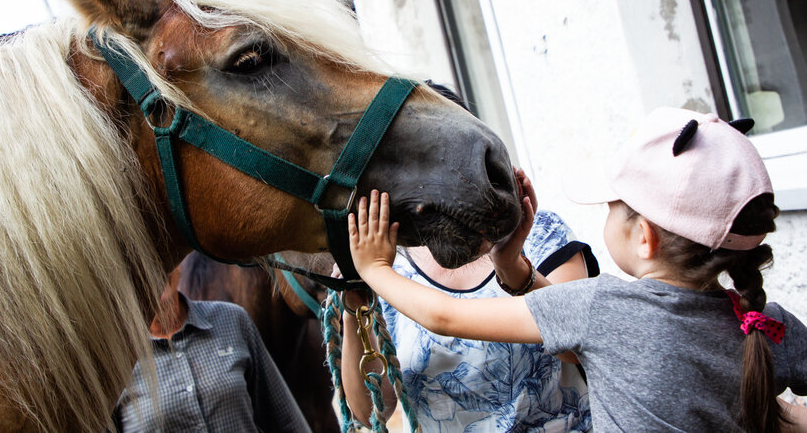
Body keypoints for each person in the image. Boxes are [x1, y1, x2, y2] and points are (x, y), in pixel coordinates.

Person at [347, 108, 807, 432]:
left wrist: (376, 268)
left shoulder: (603, 308)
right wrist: (512, 265)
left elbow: (444, 317)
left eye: (612, 208)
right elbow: (581, 349)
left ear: (644, 237)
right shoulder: (770, 325)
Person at [340, 167, 596, 431]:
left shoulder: (538, 232)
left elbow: (577, 346)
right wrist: (354, 305)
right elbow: (370, 410)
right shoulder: (383, 264)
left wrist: (512, 265)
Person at [111, 267, 311, 432]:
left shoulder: (232, 320)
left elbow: (287, 421)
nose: (152, 269)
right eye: (139, 263)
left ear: (179, 264)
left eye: (159, 260)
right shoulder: (117, 361)